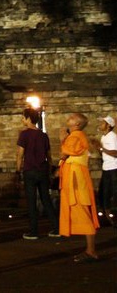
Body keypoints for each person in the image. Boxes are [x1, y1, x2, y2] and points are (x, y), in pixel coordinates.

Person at [58, 112, 100, 262]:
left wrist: (62, 139)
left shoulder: (76, 136)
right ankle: (90, 250)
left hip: (76, 179)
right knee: (81, 210)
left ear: (77, 124)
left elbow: (66, 152)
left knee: (82, 209)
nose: (68, 118)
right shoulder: (76, 135)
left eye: (71, 117)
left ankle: (91, 251)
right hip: (74, 176)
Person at [16, 107, 59, 239]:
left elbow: (20, 154)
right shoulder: (43, 135)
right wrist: (50, 170)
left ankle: (34, 231)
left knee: (31, 201)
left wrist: (18, 170)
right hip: (43, 170)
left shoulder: (24, 134)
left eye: (23, 117)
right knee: (46, 199)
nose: (22, 120)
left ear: (28, 119)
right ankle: (56, 228)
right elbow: (49, 155)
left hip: (30, 170)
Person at [94, 115, 117, 222]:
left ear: (108, 126)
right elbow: (103, 153)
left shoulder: (112, 136)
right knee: (104, 193)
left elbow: (115, 153)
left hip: (114, 168)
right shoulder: (104, 137)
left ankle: (113, 216)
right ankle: (108, 217)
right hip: (106, 168)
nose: (100, 124)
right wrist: (98, 148)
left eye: (103, 123)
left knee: (113, 193)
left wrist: (101, 148)